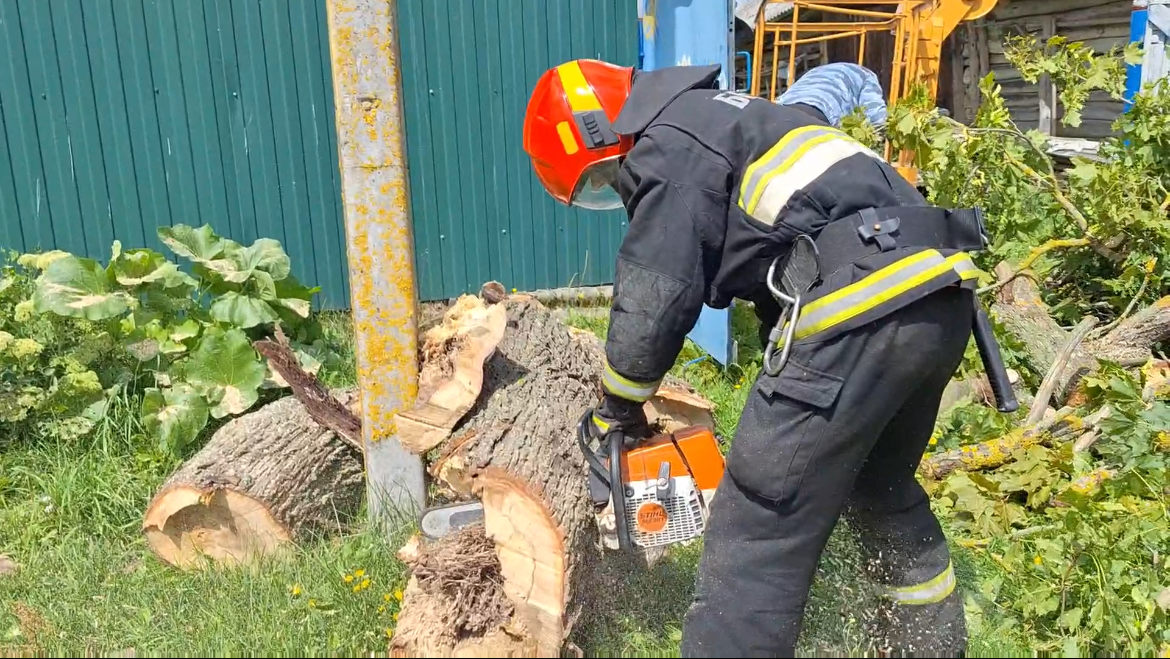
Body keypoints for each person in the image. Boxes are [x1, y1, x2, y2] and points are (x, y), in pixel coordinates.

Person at [522, 59, 992, 657]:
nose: (616, 186)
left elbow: (656, 290)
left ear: (601, 129)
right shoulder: (737, 117)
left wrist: (617, 407)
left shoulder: (669, 146)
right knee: (880, 487)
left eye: (602, 175)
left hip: (863, 297)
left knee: (758, 522)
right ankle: (924, 646)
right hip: (941, 293)